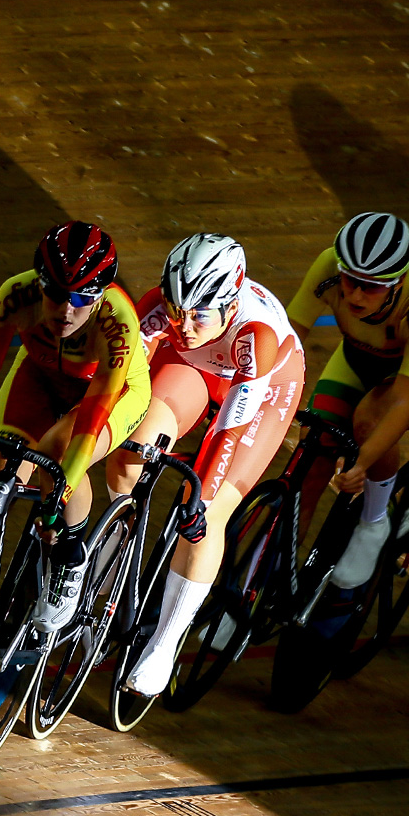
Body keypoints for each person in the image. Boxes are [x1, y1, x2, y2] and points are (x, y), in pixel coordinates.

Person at [113, 234, 305, 696]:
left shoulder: (256, 334)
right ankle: (112, 549)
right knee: (130, 451)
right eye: (177, 310)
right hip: (196, 369)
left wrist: (200, 501)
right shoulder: (162, 312)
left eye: (198, 314)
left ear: (229, 301)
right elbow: (121, 383)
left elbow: (229, 432)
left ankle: (164, 642)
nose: (183, 324)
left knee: (207, 508)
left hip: (261, 386)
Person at [0, 221, 151, 635]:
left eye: (82, 297)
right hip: (41, 376)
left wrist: (58, 496)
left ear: (100, 296)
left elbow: (91, 423)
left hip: (110, 392)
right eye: (57, 293)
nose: (66, 308)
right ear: (38, 283)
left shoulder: (118, 325)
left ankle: (72, 558)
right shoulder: (15, 295)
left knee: (56, 455)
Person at [285, 212, 409, 591]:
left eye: (370, 287)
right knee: (312, 458)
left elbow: (403, 400)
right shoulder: (328, 265)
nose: (355, 294)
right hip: (361, 353)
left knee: (370, 421)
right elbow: (287, 342)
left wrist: (365, 461)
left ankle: (374, 521)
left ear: (398, 281)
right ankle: (266, 580)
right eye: (350, 280)